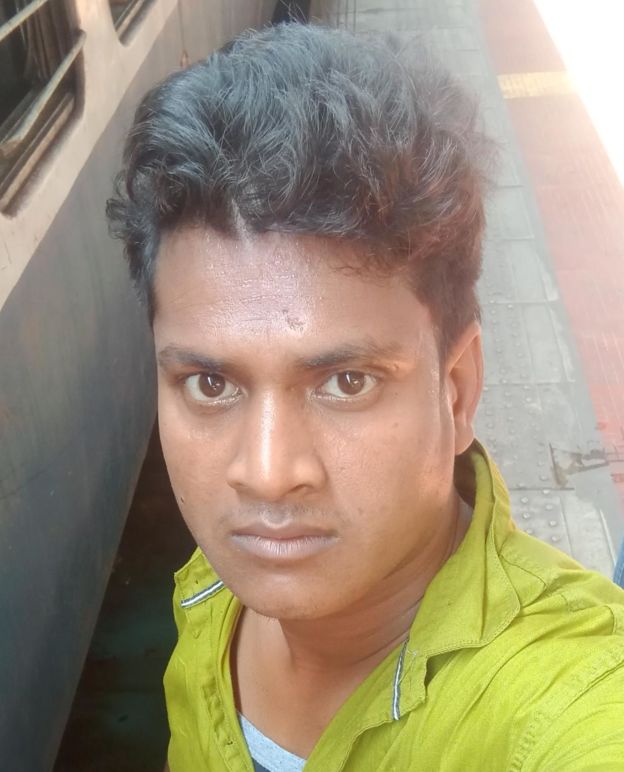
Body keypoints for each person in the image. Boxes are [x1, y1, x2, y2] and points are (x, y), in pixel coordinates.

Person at [107, 23, 624, 772]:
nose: (266, 474)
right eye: (211, 384)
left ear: (457, 390)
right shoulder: (207, 591)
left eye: (346, 382)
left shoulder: (571, 707)